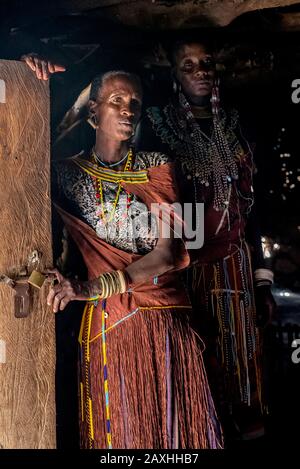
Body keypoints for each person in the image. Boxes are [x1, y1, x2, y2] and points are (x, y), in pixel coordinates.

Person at [45, 70, 222, 449]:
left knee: (171, 434)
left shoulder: (157, 166)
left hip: (161, 317)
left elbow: (167, 254)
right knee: (120, 435)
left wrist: (94, 286)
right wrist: (77, 103)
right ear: (94, 109)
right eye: (116, 101)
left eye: (134, 104)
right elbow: (31, 146)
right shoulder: (66, 173)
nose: (128, 111)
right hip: (110, 326)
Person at [137, 36, 276, 443]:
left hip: (236, 267)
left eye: (207, 62)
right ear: (175, 76)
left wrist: (264, 282)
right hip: (187, 269)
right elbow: (156, 201)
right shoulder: (159, 127)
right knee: (198, 360)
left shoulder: (236, 128)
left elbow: (254, 207)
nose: (200, 71)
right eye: (189, 65)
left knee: (244, 364)